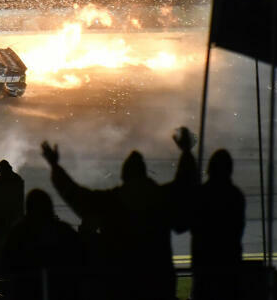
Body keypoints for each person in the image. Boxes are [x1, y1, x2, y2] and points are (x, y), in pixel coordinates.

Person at [41, 127, 197, 300]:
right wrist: (186, 153)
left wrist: (55, 166)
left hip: (121, 285)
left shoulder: (111, 203)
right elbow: (185, 185)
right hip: (157, 284)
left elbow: (77, 196)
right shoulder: (161, 200)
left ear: (124, 176)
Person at [1, 189, 82, 300]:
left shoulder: (18, 232)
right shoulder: (63, 230)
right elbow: (80, 256)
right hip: (61, 290)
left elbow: (6, 261)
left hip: (26, 290)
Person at [190, 149, 245, 300]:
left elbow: (185, 226)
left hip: (205, 268)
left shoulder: (201, 195)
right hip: (229, 266)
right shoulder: (236, 195)